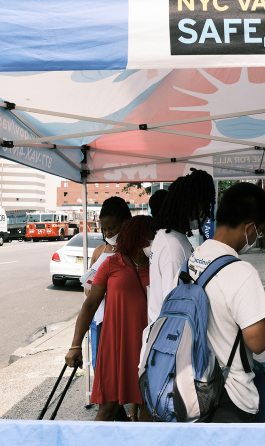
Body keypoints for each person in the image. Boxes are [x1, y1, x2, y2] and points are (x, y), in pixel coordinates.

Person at [185, 182, 265, 422]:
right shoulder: (242, 272)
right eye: (259, 231)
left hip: (189, 388)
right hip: (228, 396)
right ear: (250, 227)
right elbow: (258, 342)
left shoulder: (191, 261)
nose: (256, 237)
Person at [66, 216, 154, 421]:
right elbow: (89, 305)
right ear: (139, 237)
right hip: (116, 346)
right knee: (107, 409)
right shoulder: (110, 264)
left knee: (148, 409)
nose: (154, 241)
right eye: (151, 236)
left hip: (148, 347)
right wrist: (75, 345)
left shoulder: (157, 265)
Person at [148, 169, 215, 325]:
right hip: (172, 339)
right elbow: (174, 307)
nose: (204, 213)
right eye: (201, 208)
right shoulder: (173, 248)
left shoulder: (169, 237)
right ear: (187, 206)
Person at [82, 197, 132, 371]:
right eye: (104, 229)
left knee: (123, 369)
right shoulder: (99, 251)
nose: (108, 233)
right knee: (101, 369)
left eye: (112, 228)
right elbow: (88, 290)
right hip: (98, 319)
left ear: (125, 223)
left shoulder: (134, 252)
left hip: (123, 320)